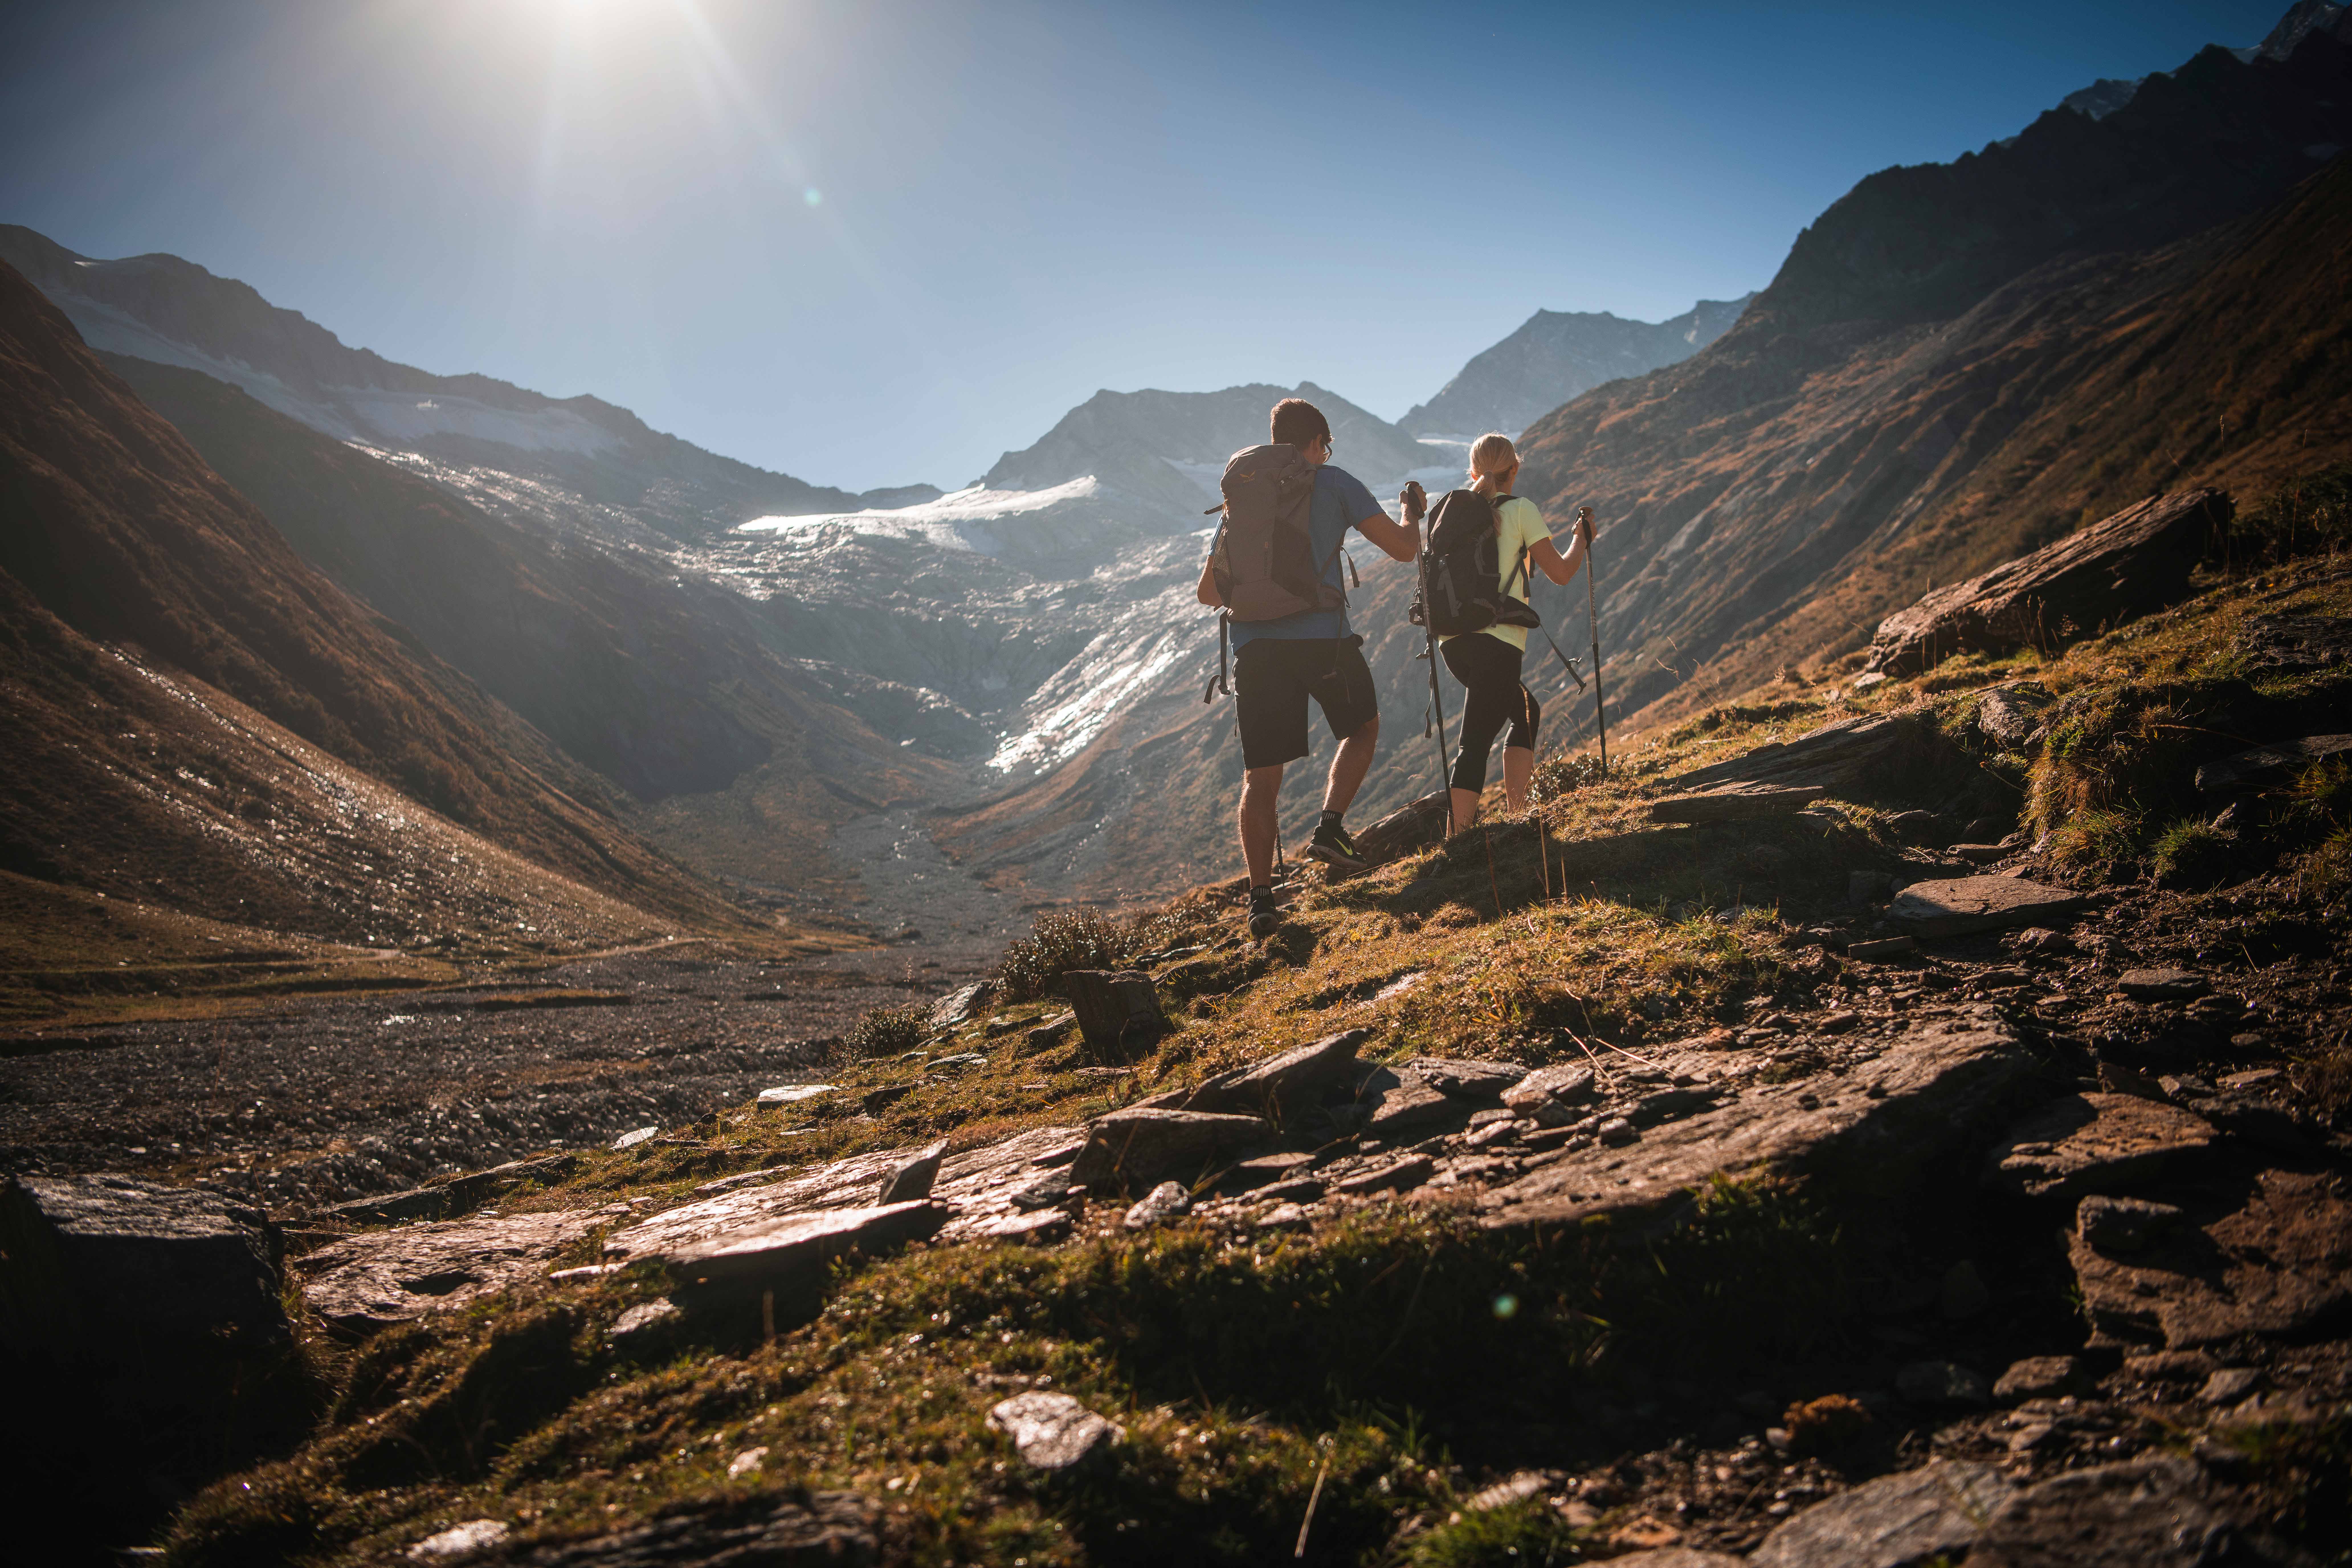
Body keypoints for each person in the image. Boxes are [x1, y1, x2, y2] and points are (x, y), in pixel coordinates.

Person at [1198, 397, 1420, 937]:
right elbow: (1403, 549)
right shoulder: (1334, 482)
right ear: (1318, 442)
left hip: (1256, 652)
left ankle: (1260, 900)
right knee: (1362, 728)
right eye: (1327, 444)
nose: (1326, 453)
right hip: (1323, 641)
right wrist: (1413, 509)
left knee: (1262, 777)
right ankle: (1330, 827)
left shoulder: (1245, 497)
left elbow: (1209, 593)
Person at [1438, 432, 1594, 834]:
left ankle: (1518, 817)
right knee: (1474, 743)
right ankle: (1459, 840)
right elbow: (1560, 573)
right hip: (1498, 641)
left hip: (1452, 642)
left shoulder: (1456, 516)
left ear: (1472, 473)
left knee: (1525, 712)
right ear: (1515, 469)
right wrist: (1581, 539)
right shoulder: (1521, 510)